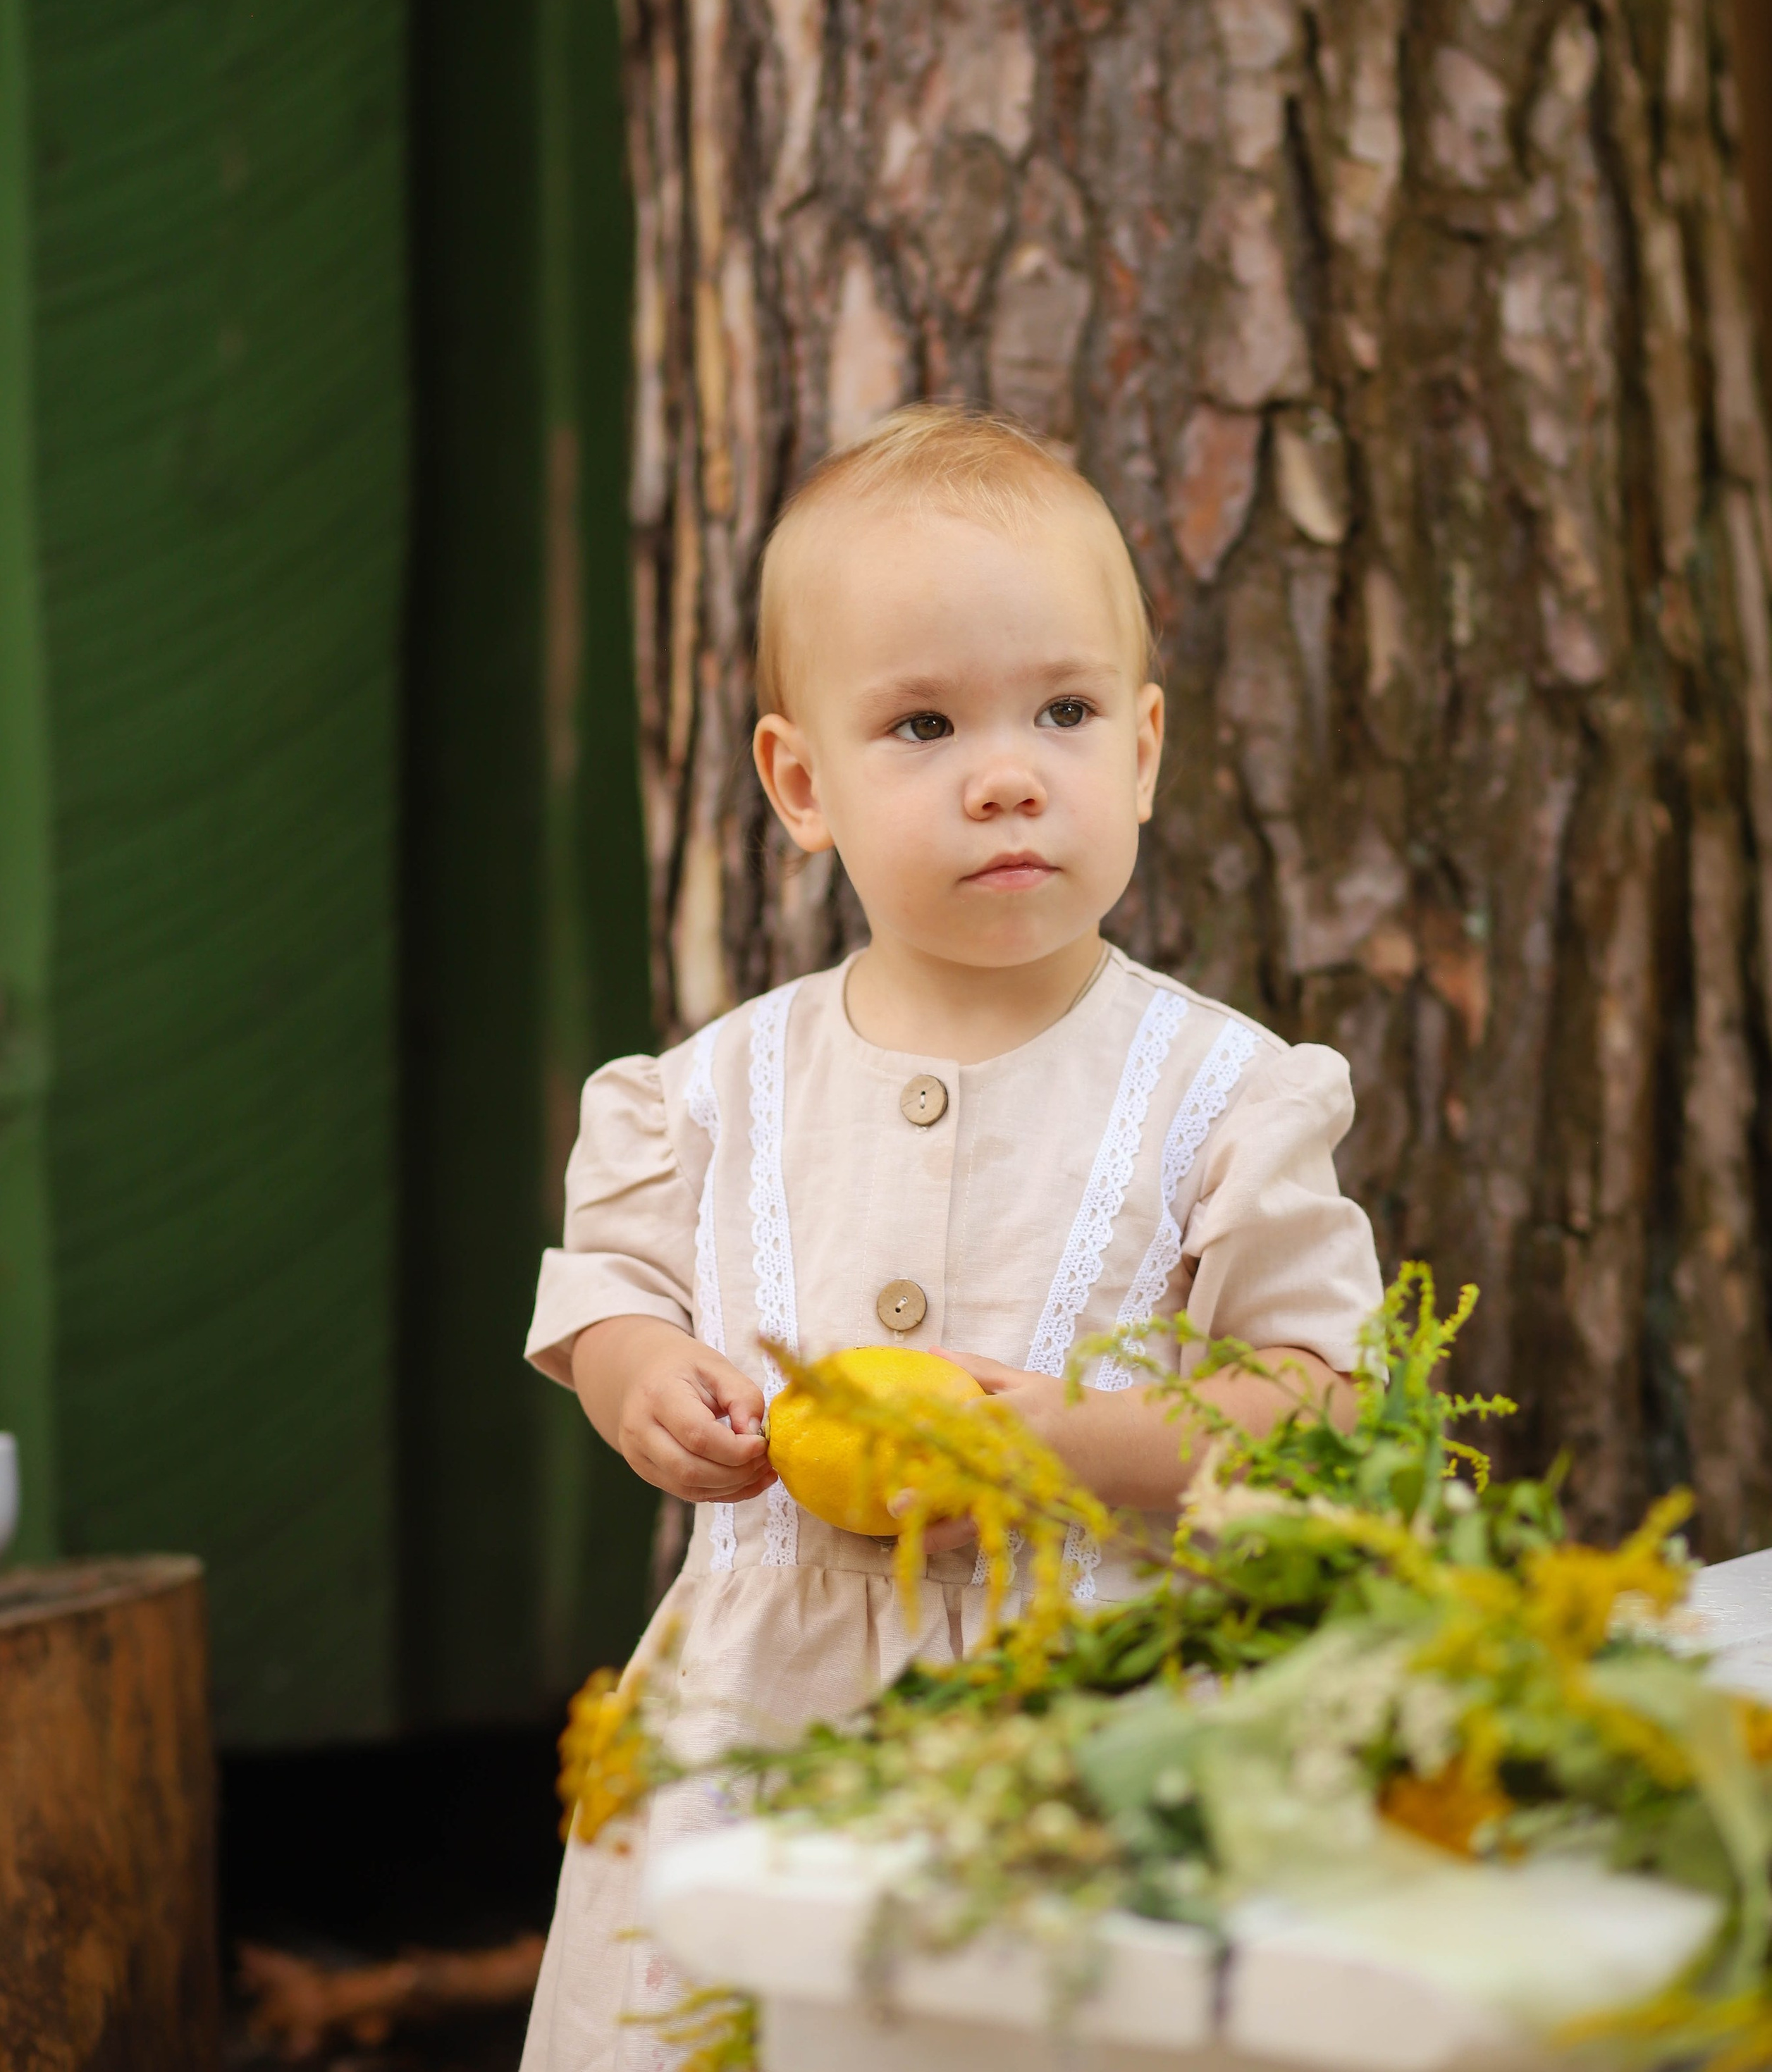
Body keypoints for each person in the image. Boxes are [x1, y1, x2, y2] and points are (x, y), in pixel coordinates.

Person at [519, 404, 1384, 2072]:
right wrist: (639, 1377)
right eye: (919, 723)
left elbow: (1327, 1394)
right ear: (800, 783)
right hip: (750, 1729)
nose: (1005, 770)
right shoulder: (706, 1091)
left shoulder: (1224, 1094)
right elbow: (612, 1289)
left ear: (1137, 751)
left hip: (1092, 1723)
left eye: (1059, 711)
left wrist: (1075, 1440)